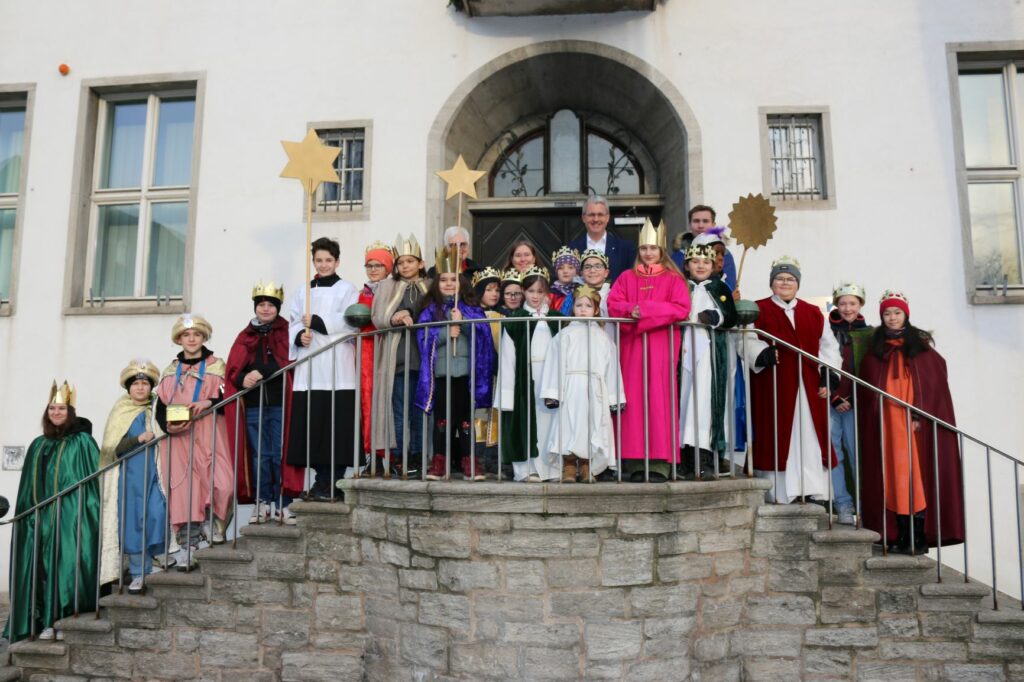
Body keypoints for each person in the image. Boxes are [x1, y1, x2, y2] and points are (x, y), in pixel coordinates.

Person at [858, 291, 964, 554]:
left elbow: (934, 383)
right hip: (887, 423)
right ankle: (899, 535)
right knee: (892, 478)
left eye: (897, 312)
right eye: (887, 313)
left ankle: (917, 536)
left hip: (912, 424)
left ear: (906, 314)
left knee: (915, 476)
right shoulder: (876, 347)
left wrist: (920, 414)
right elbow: (867, 384)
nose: (892, 318)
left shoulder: (921, 346)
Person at [4, 382, 99, 643]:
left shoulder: (82, 442)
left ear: (71, 412)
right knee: (40, 571)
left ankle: (61, 620)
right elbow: (27, 489)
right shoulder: (37, 444)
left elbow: (92, 485)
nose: (56, 412)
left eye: (61, 408)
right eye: (52, 408)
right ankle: (39, 622)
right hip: (38, 520)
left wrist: (83, 517)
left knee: (65, 568)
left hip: (69, 519)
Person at [749, 256, 841, 504]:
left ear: (798, 283)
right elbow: (745, 340)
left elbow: (829, 347)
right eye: (780, 278)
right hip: (774, 384)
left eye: (790, 279)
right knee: (778, 434)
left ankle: (813, 490)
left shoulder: (813, 312)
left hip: (809, 384)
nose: (785, 283)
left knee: (811, 437)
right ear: (772, 283)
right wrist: (761, 353)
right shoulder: (758, 309)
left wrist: (828, 375)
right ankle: (780, 492)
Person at [606, 219, 691, 482]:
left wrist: (644, 311)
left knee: (658, 401)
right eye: (643, 248)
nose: (647, 253)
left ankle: (659, 463)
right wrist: (629, 310)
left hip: (660, 348)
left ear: (661, 250)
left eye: (652, 249)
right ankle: (632, 462)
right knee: (631, 401)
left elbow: (681, 308)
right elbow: (613, 303)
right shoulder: (626, 277)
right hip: (631, 348)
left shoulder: (674, 279)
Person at [224, 282, 304, 525]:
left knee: (280, 453)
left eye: (270, 305)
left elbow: (290, 360)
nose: (266, 309)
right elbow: (233, 370)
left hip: (280, 403)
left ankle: (283, 503)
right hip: (253, 405)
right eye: (262, 305)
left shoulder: (287, 331)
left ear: (277, 308)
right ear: (256, 307)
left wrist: (262, 372)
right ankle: (262, 502)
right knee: (259, 454)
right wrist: (242, 378)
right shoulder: (245, 335)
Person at [286, 237, 359, 499]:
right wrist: (298, 336)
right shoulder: (302, 291)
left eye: (329, 260)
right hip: (311, 367)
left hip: (338, 367)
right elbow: (294, 320)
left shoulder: (347, 289)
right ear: (313, 261)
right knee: (313, 425)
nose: (324, 264)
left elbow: (353, 320)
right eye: (319, 260)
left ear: (337, 261)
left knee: (337, 426)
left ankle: (336, 480)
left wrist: (317, 321)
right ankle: (320, 480)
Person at [155, 314, 234, 554]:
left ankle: (213, 522)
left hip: (211, 430)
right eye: (186, 335)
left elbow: (229, 396)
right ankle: (189, 540)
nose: (191, 339)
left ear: (204, 337)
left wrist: (210, 402)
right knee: (185, 486)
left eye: (196, 335)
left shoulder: (217, 366)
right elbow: (160, 408)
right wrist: (167, 426)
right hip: (180, 437)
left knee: (223, 482)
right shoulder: (170, 371)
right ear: (179, 339)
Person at [415, 247, 495, 480]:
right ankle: (439, 461)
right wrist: (444, 332)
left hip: (466, 374)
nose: (449, 284)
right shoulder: (430, 310)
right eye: (444, 280)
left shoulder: (471, 308)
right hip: (442, 373)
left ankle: (469, 461)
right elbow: (423, 338)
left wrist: (466, 324)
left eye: (453, 280)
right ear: (436, 283)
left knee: (465, 420)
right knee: (442, 419)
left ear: (461, 282)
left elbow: (483, 336)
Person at [540, 286, 625, 483]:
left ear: (596, 309)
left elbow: (612, 368)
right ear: (573, 308)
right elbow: (555, 362)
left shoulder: (604, 338)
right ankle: (569, 466)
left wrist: (615, 397)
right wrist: (553, 392)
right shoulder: (565, 334)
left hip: (596, 389)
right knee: (569, 426)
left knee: (593, 427)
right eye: (579, 305)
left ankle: (587, 466)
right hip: (572, 387)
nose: (583, 309)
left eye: (588, 305)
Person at [100, 360, 168, 594]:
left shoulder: (159, 406)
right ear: (129, 387)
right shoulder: (121, 411)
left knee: (158, 514)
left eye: (144, 383)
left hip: (157, 471)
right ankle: (139, 572)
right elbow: (111, 448)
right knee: (135, 522)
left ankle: (160, 558)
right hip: (130, 475)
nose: (140, 388)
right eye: (136, 384)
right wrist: (137, 440)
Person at [497, 266, 565, 481]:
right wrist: (507, 394)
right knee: (526, 422)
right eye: (531, 291)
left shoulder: (558, 319)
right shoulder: (514, 320)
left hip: (551, 378)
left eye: (540, 291)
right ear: (523, 292)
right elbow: (508, 359)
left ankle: (553, 470)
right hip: (525, 378)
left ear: (547, 293)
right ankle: (527, 470)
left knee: (550, 422)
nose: (536, 296)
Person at [678, 243, 738, 481]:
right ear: (687, 265)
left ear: (713, 266)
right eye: (695, 261)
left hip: (708, 353)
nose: (700, 266)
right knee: (683, 399)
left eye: (706, 262)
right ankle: (683, 455)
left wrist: (715, 316)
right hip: (682, 350)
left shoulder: (719, 287)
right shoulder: (680, 286)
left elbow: (730, 315)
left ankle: (703, 455)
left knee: (703, 402)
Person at [371, 233, 428, 476]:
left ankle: (418, 455)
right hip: (400, 359)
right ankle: (399, 456)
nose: (405, 266)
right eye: (401, 262)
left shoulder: (431, 285)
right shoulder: (387, 286)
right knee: (398, 410)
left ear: (421, 263)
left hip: (424, 359)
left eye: (410, 261)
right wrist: (394, 317)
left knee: (419, 412)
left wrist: (409, 312)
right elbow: (377, 316)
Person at [826, 282, 873, 525]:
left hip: (856, 402)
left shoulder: (869, 333)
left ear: (860, 304)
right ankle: (843, 504)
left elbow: (871, 371)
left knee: (858, 454)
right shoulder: (826, 329)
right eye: (842, 303)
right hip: (831, 401)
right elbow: (820, 361)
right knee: (834, 455)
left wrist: (853, 398)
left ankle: (865, 507)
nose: (847, 308)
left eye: (852, 303)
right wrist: (834, 396)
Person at [358, 241, 395, 469]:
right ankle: (371, 454)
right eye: (369, 265)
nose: (373, 269)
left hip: (385, 347)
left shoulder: (393, 288)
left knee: (385, 401)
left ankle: (387, 454)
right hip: (366, 351)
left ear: (387, 268)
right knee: (367, 401)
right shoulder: (362, 292)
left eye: (378, 265)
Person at [472, 267, 504, 471]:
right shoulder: (472, 314)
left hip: (497, 373)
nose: (494, 294)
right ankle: (478, 454)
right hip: (478, 373)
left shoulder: (503, 315)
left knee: (495, 412)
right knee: (479, 414)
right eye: (489, 289)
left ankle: (494, 455)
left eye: (497, 290)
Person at [568, 195, 636, 282]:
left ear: (607, 217)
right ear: (583, 218)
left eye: (600, 214)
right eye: (591, 215)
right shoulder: (572, 249)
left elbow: (632, 281)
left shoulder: (625, 248)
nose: (596, 219)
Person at [671, 205, 737, 288]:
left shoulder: (725, 255)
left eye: (705, 221)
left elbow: (730, 286)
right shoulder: (679, 255)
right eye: (696, 221)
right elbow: (672, 285)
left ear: (713, 224)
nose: (701, 226)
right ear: (690, 224)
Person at [548, 246, 581, 315]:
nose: (565, 271)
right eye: (561, 268)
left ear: (576, 271)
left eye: (570, 267)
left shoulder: (581, 290)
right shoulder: (551, 294)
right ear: (556, 272)